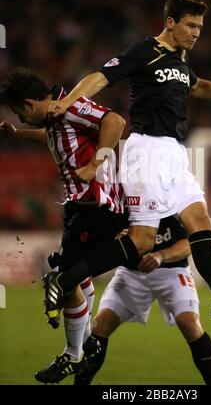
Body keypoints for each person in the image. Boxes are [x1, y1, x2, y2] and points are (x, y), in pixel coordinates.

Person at [32, 0, 211, 323]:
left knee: (201, 221)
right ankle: (65, 279)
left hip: (174, 153)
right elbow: (100, 76)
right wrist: (68, 100)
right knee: (141, 241)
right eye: (190, 25)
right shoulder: (144, 51)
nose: (196, 33)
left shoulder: (181, 58)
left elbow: (197, 87)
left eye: (200, 27)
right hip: (146, 151)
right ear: (170, 23)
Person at [0, 67, 127, 383]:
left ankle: (76, 354)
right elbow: (52, 136)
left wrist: (95, 163)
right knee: (78, 278)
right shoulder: (56, 119)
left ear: (30, 103)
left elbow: (115, 121)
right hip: (81, 207)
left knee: (63, 280)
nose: (21, 118)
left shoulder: (69, 106)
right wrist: (19, 135)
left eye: (19, 113)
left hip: (94, 205)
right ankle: (85, 347)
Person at [74, 216, 211, 386]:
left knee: (189, 322)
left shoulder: (168, 202)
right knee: (101, 324)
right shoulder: (120, 206)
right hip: (131, 274)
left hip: (173, 272)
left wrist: (160, 255)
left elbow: (189, 243)